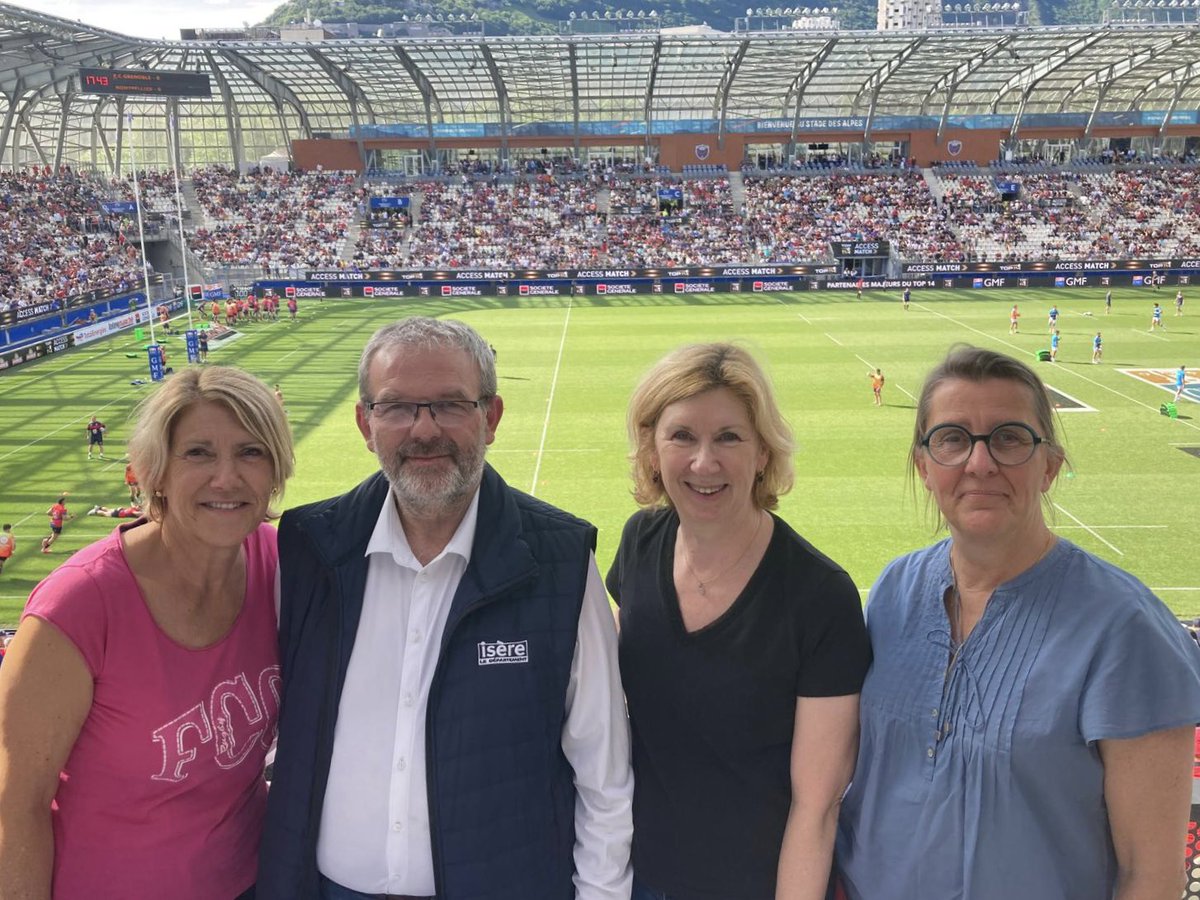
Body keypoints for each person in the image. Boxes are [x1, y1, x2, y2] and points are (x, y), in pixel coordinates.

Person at [258, 316, 633, 900]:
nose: (424, 430)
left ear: (492, 418)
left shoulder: (561, 559)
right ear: (365, 422)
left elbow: (603, 774)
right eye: (398, 406)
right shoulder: (306, 549)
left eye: (451, 405)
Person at [836, 345, 1200, 900]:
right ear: (924, 466)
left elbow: (1149, 875)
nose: (980, 463)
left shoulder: (1126, 629)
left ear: (1049, 465)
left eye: (1009, 438)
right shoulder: (894, 591)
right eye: (953, 438)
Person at [0, 365, 295, 899]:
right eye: (198, 453)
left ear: (276, 470)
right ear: (153, 472)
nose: (226, 477)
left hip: (252, 881)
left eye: (251, 452)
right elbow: (14, 807)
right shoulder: (79, 607)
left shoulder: (279, 564)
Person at [608, 343, 870, 900]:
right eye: (682, 436)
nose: (705, 463)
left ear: (763, 454)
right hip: (636, 879)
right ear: (652, 449)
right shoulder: (639, 542)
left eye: (729, 436)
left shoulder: (820, 596)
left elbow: (816, 807)